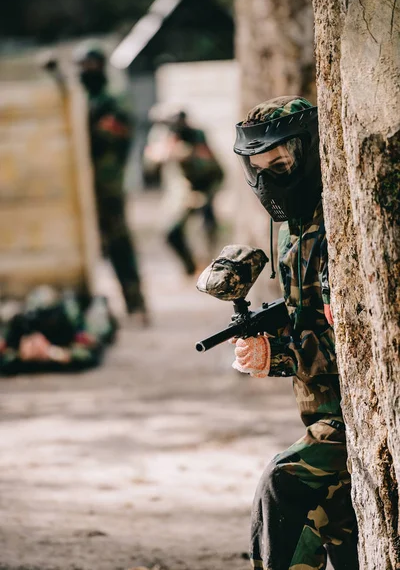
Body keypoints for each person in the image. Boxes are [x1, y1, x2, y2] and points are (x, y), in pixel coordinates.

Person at [231, 96, 358, 569]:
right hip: (322, 412)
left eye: (281, 163)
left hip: (353, 416)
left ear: (309, 150)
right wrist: (274, 327)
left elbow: (359, 341)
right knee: (347, 539)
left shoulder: (341, 218)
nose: (269, 180)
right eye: (259, 168)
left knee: (282, 487)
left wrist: (279, 355)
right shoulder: (293, 225)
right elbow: (308, 309)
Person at [75, 44, 147, 317]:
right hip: (80, 189)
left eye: (90, 66)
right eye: (82, 66)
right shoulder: (82, 100)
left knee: (118, 245)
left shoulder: (113, 100)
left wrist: (90, 128)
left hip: (108, 187)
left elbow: (114, 135)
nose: (85, 72)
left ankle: (135, 303)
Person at [145, 110, 224, 275]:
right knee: (170, 232)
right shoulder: (162, 136)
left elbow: (213, 169)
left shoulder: (196, 136)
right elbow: (150, 170)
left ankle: (210, 269)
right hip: (180, 193)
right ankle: (190, 267)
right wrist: (156, 156)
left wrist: (188, 155)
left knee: (206, 227)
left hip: (204, 188)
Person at [0, 286, 117, 375]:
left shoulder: (69, 321)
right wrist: (18, 356)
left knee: (99, 319)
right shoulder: (18, 326)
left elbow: (92, 351)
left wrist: (55, 353)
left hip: (71, 328)